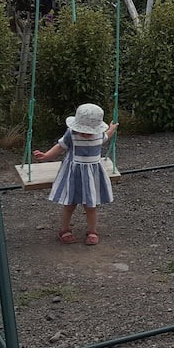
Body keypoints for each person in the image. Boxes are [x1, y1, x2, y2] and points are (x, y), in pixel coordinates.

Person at [33, 103, 119, 245]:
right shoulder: (71, 134)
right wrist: (46, 156)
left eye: (89, 131)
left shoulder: (99, 134)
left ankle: (92, 231)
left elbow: (107, 136)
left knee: (91, 205)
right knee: (69, 204)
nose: (85, 133)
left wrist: (112, 129)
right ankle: (64, 229)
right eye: (82, 130)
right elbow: (60, 147)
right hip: (73, 175)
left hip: (92, 175)